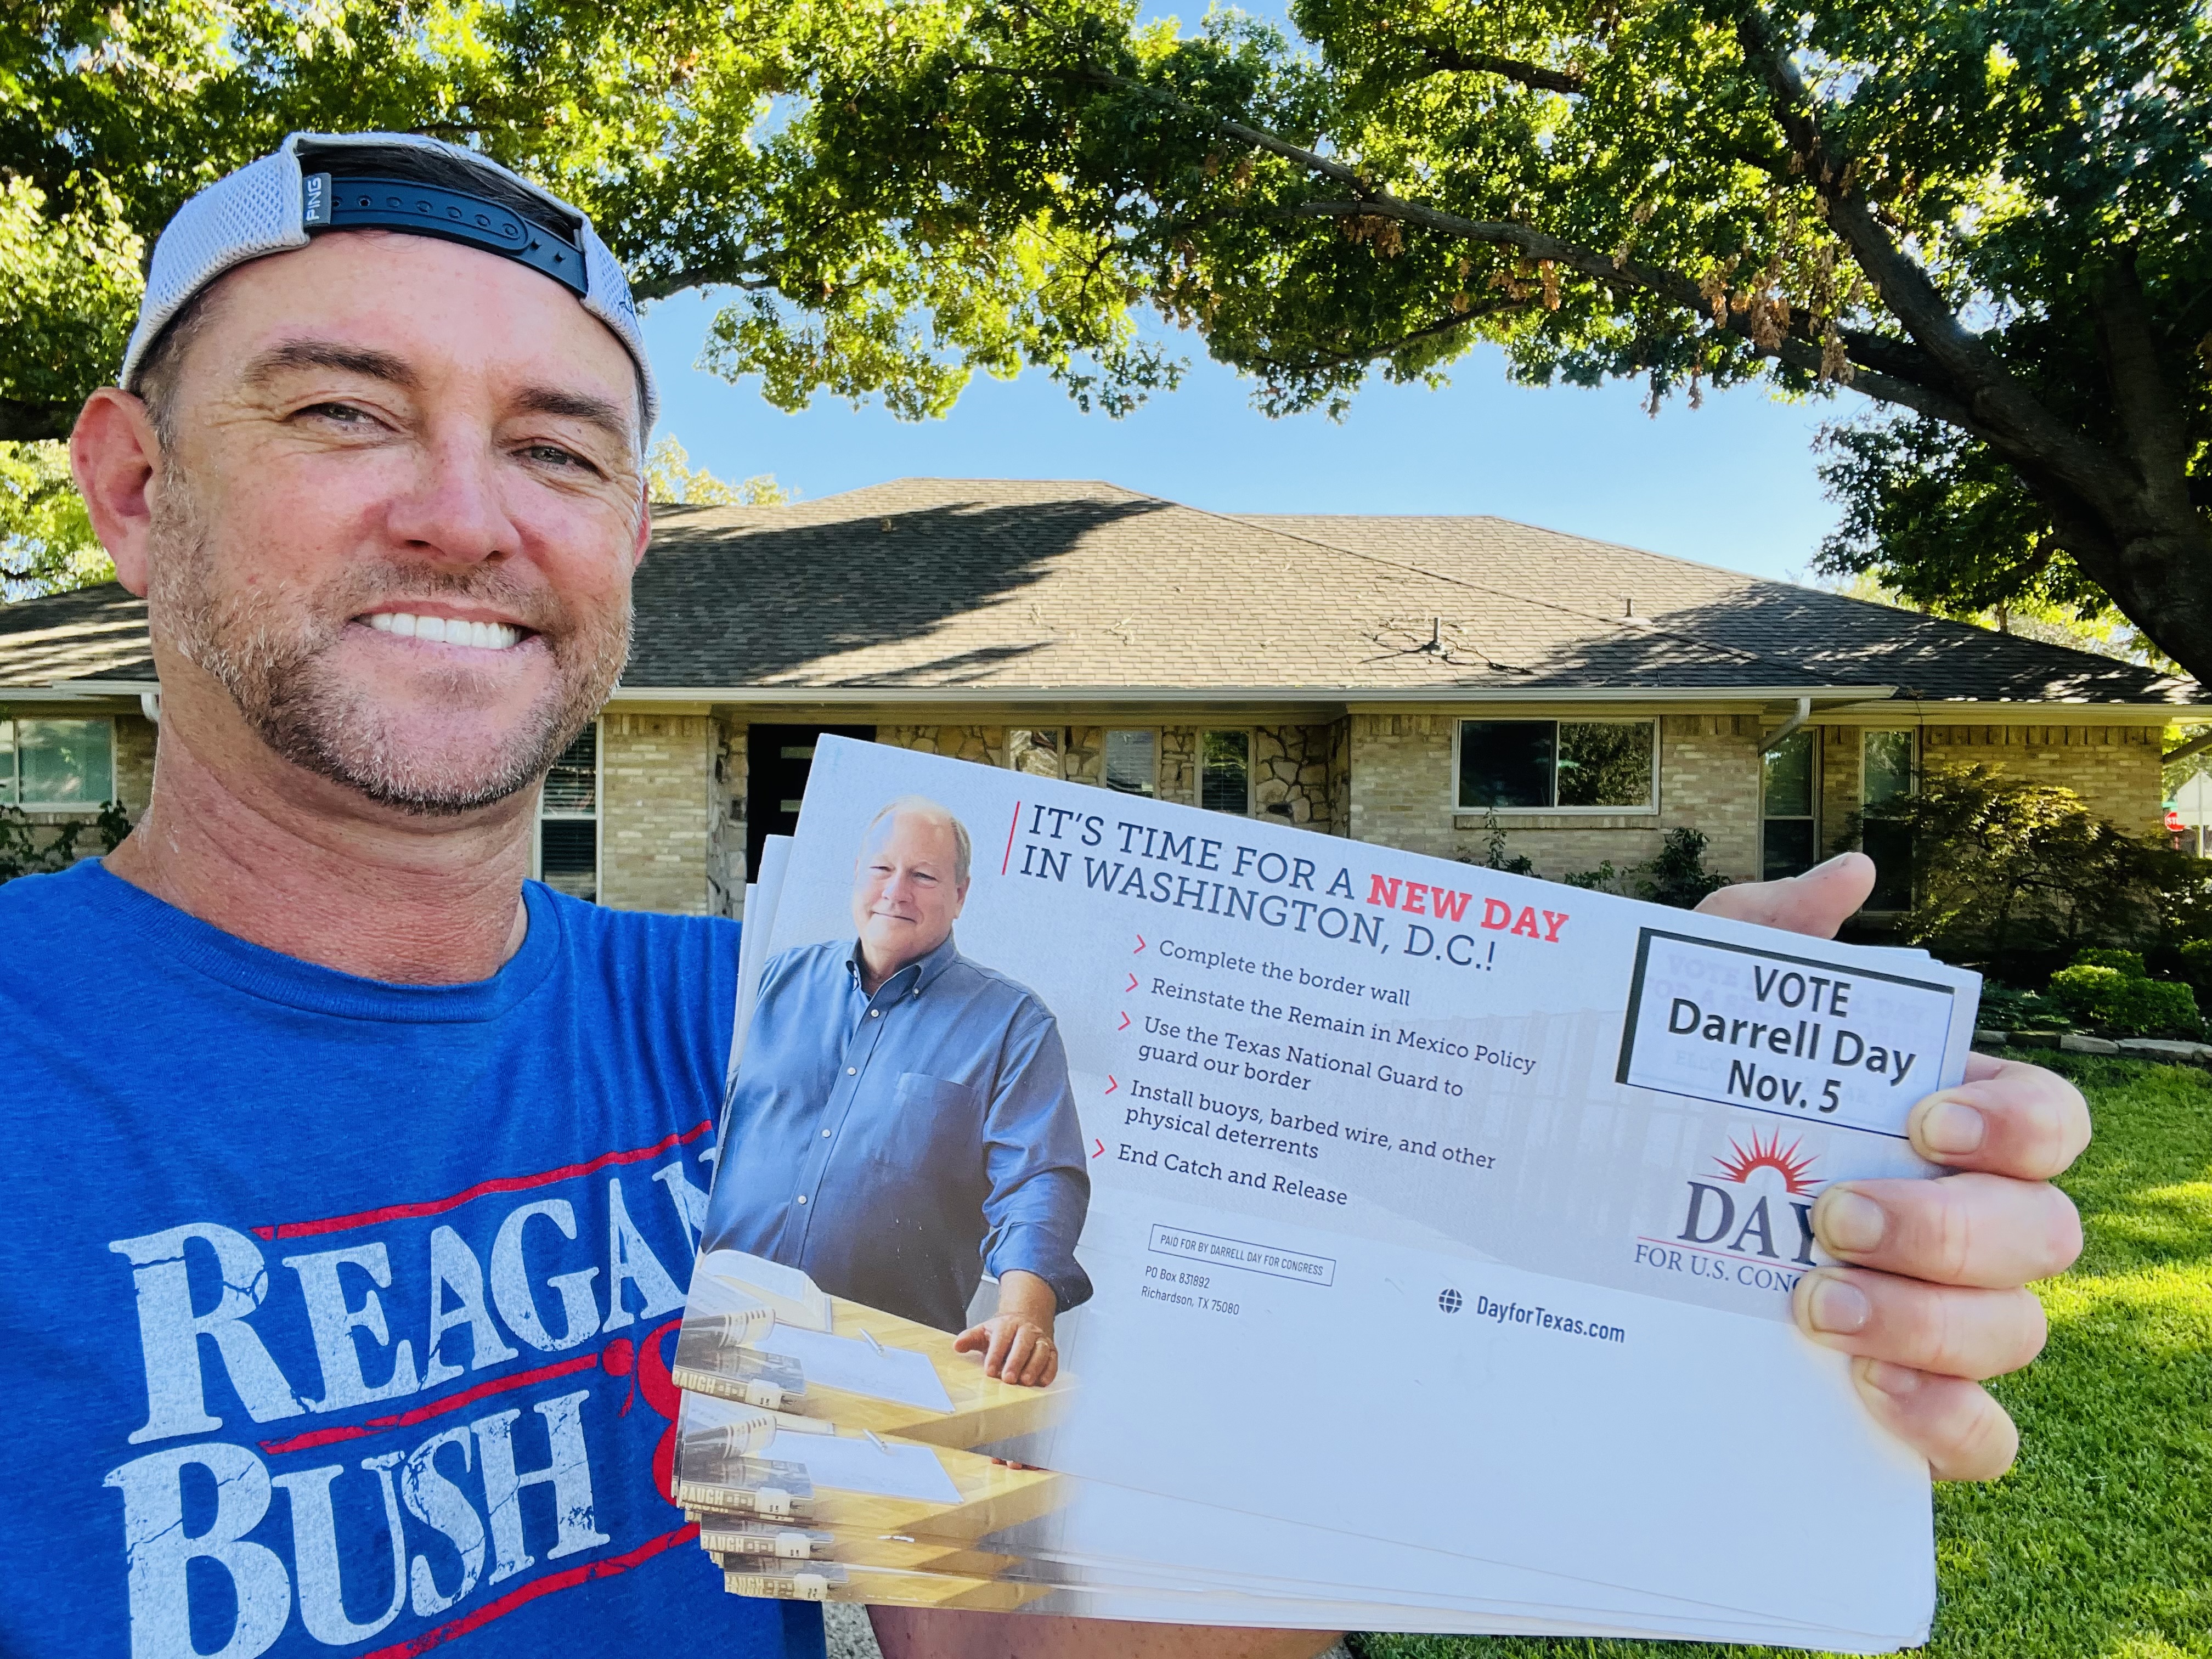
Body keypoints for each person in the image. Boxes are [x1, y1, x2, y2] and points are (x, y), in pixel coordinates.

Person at [0, 126, 2089, 1659]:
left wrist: (1618, 1160)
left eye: (556, 449)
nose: (465, 514)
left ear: (631, 536)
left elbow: (1030, 1607)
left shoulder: (796, 1020)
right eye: (344, 411)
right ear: (131, 479)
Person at [704, 796, 1090, 1387]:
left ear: (961, 895)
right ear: (857, 876)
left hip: (885, 1369)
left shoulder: (1013, 1024)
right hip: (717, 1334)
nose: (896, 891)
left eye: (924, 876)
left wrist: (1023, 1315)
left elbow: (1038, 1181)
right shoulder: (768, 981)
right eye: (882, 869)